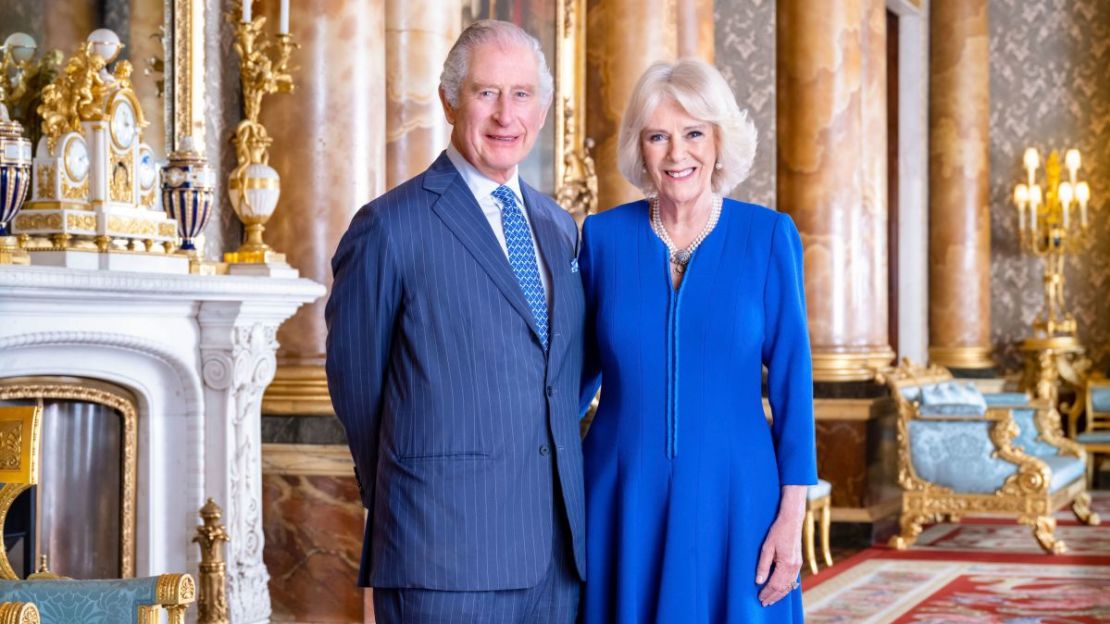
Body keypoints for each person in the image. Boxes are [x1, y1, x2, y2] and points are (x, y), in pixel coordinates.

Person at [325, 20, 585, 623]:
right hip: (441, 554)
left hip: (556, 556)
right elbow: (358, 389)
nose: (505, 114)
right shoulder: (390, 227)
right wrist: (408, 496)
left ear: (542, 109)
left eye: (521, 94)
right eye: (485, 93)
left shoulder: (558, 227)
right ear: (449, 99)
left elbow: (560, 376)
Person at [578, 59, 817, 622]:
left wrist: (791, 515)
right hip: (621, 494)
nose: (676, 153)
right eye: (658, 136)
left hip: (739, 497)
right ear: (640, 148)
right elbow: (568, 380)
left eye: (693, 134)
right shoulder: (602, 238)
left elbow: (791, 384)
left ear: (718, 141)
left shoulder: (767, 236)